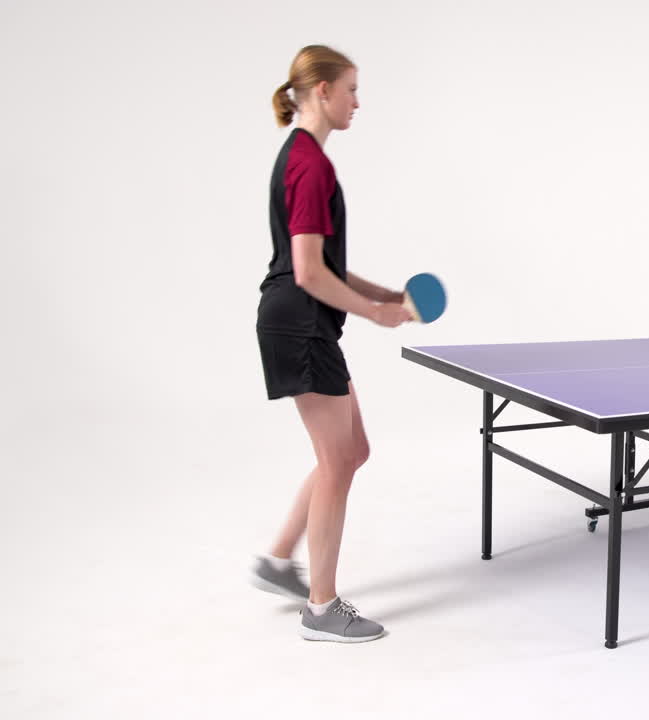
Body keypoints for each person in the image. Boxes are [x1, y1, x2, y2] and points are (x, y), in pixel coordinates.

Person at [250, 45, 412, 642]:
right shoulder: (310, 164)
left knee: (351, 451)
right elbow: (309, 271)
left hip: (306, 322)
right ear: (321, 91)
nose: (357, 101)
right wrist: (374, 313)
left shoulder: (304, 156)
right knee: (336, 461)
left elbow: (327, 265)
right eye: (350, 89)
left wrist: (387, 294)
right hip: (299, 325)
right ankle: (321, 609)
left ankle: (276, 562)